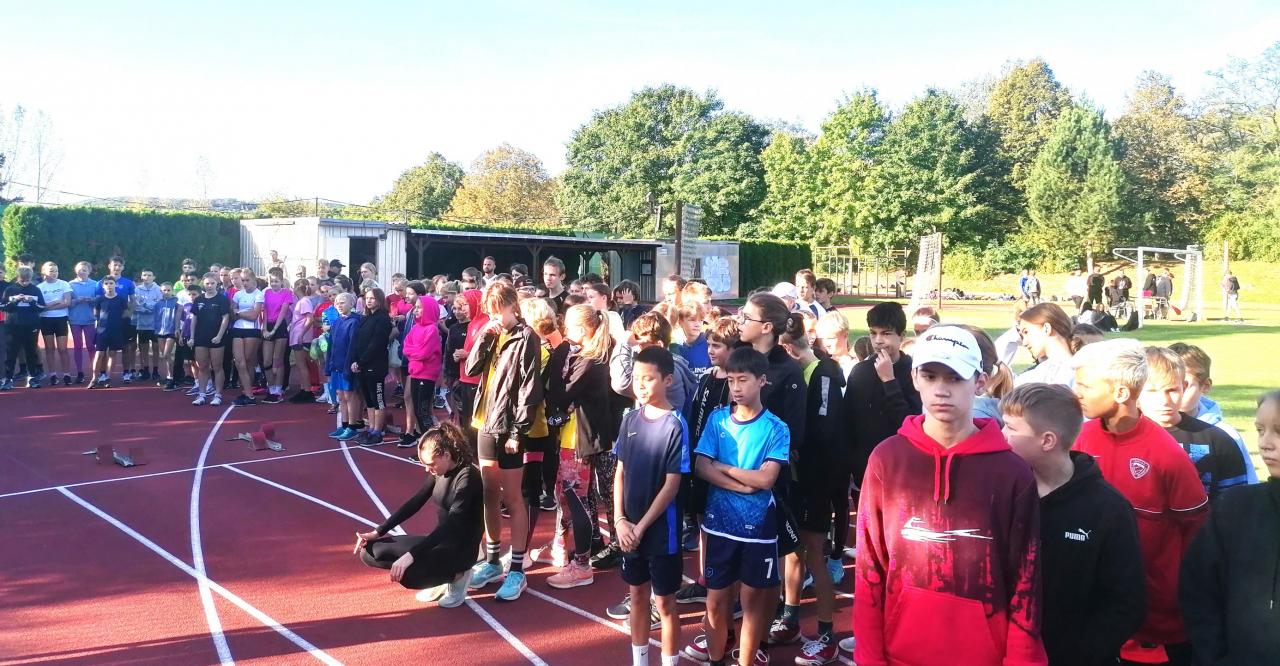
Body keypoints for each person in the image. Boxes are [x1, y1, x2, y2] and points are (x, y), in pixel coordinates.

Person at [850, 325, 1046, 665]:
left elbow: (1025, 580)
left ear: (980, 382)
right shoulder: (886, 459)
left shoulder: (1012, 472)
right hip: (900, 651)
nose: (941, 390)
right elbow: (870, 566)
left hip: (985, 656)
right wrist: (869, 657)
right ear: (914, 378)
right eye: (930, 376)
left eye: (955, 378)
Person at [1071, 338, 1208, 666]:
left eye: (1086, 386)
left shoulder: (1167, 455)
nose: (1077, 393)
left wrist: (1176, 595)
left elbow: (1197, 533)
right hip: (1092, 609)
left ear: (1121, 393)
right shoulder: (1080, 438)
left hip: (1157, 621)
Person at [1001, 383, 1146, 666]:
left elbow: (1126, 601)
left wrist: (1080, 653)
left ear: (1047, 441)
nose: (1001, 434)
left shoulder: (1108, 509)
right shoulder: (1004, 493)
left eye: (1011, 428)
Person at [694, 347, 791, 666]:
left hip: (758, 531)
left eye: (743, 380)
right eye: (731, 380)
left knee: (751, 605)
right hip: (719, 526)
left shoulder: (776, 428)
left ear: (762, 380)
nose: (735, 387)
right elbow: (701, 466)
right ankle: (716, 659)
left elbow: (766, 479)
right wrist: (743, 484)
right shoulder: (717, 419)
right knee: (715, 602)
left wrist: (724, 467)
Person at [1179, 389, 1280, 664]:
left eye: (1278, 432)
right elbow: (1198, 589)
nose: (1265, 443)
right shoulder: (1236, 507)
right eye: (1260, 430)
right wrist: (1215, 657)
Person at [463, 282, 542, 600]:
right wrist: (485, 336)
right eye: (490, 311)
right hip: (484, 422)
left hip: (509, 427)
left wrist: (517, 432)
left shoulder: (527, 337)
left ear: (513, 306)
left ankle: (517, 569)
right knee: (488, 493)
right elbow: (471, 368)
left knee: (513, 497)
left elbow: (529, 388)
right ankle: (493, 560)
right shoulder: (491, 333)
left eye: (499, 310)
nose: (495, 316)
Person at [354, 422, 484, 608]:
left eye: (430, 464)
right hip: (439, 541)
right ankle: (439, 574)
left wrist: (411, 555)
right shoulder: (439, 470)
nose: (427, 469)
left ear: (446, 455)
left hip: (461, 550)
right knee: (369, 552)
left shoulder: (468, 477)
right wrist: (378, 531)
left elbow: (452, 523)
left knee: (408, 574)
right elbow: (415, 502)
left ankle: (457, 575)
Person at [615, 346, 688, 666]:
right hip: (629, 529)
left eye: (648, 379)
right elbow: (620, 471)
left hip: (660, 533)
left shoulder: (675, 425)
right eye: (636, 378)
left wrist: (641, 527)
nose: (640, 385)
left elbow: (672, 485)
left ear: (667, 380)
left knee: (666, 603)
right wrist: (620, 520)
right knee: (637, 597)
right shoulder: (629, 419)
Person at [778, 322, 846, 665]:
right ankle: (790, 619)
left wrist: (793, 446)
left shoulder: (824, 374)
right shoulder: (802, 373)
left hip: (815, 479)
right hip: (795, 477)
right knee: (793, 551)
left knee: (814, 552)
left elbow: (824, 430)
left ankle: (826, 634)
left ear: (789, 350)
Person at [536, 303, 617, 590]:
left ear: (582, 330)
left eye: (568, 326)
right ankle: (567, 547)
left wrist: (559, 353)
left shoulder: (589, 359)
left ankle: (582, 565)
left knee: (575, 498)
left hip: (580, 439)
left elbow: (560, 393)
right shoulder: (588, 354)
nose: (564, 331)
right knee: (570, 495)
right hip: (578, 436)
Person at [1138, 347, 1251, 502]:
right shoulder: (1121, 437)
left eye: (1172, 390)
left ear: (1183, 387)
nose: (1164, 401)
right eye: (1152, 391)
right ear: (1135, 391)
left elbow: (1236, 502)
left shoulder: (1218, 440)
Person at [844, 301, 923, 509]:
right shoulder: (860, 371)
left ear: (901, 336)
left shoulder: (915, 372)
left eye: (886, 334)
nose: (878, 340)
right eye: (873, 333)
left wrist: (889, 381)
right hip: (864, 468)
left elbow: (910, 424)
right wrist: (850, 464)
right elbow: (848, 421)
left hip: (902, 471)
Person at [1168, 342, 1257, 484]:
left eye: (1184, 386)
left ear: (1205, 385)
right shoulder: (1145, 429)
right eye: (1168, 386)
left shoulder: (1225, 435)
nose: (1175, 394)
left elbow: (1246, 486)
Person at [350, 288, 393, 445]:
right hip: (362, 366)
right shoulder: (366, 318)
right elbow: (358, 342)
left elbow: (376, 344)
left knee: (377, 399)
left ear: (380, 300)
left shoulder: (383, 319)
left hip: (375, 366)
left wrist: (361, 361)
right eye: (367, 298)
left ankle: (378, 432)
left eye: (372, 298)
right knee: (368, 399)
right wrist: (355, 361)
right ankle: (371, 429)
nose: (368, 301)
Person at [402, 294, 443, 444]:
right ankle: (425, 443)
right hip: (415, 372)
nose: (416, 310)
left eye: (419, 308)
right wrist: (414, 352)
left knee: (423, 411)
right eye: (416, 307)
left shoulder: (432, 329)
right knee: (417, 410)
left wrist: (413, 353)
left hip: (426, 375)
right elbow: (406, 347)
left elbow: (424, 353)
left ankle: (434, 444)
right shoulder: (415, 328)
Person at [326, 293, 365, 438]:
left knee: (350, 396)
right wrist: (329, 366)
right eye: (337, 303)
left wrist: (348, 366)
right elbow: (331, 346)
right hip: (336, 366)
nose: (339, 305)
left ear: (351, 304)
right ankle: (344, 425)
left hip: (346, 366)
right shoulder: (336, 322)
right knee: (341, 396)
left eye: (342, 302)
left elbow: (353, 346)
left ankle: (352, 426)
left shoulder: (354, 322)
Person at [189, 274, 231, 404]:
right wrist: (192, 337)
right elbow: (194, 319)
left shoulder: (222, 299)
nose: (210, 286)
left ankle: (217, 395)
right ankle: (202, 394)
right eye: (207, 283)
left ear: (217, 283)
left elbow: (225, 318)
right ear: (203, 284)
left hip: (216, 338)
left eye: (212, 283)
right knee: (202, 366)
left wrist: (219, 336)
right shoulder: (199, 299)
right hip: (201, 337)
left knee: (217, 367)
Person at [2, 266, 46, 389]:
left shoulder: (35, 290)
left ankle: (32, 377)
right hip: (13, 325)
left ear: (30, 278)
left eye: (27, 280)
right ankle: (8, 379)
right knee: (11, 353)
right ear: (18, 277)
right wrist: (14, 301)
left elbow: (42, 307)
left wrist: (31, 301)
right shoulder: (10, 289)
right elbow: (3, 306)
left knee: (31, 352)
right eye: (22, 280)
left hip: (31, 325)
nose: (25, 282)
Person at [96, 257, 136, 383]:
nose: (117, 267)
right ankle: (103, 374)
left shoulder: (128, 283)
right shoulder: (101, 282)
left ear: (123, 267)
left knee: (126, 347)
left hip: (123, 320)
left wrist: (127, 315)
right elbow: (98, 303)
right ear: (109, 266)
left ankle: (126, 373)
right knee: (103, 350)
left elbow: (132, 301)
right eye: (114, 265)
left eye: (119, 265)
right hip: (106, 322)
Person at [1015, 303, 1075, 386]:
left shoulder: (1029, 380)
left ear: (1047, 328)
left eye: (1026, 332)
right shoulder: (1087, 369)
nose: (1024, 343)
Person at [228, 269, 264, 406]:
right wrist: (242, 313)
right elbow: (232, 313)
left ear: (254, 280)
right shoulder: (238, 294)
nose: (245, 283)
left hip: (252, 330)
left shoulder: (259, 294)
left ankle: (249, 392)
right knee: (239, 362)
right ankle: (247, 393)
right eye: (243, 280)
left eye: (247, 280)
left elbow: (254, 315)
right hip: (238, 329)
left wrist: (239, 313)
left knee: (248, 361)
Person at [259, 272, 295, 403]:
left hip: (280, 327)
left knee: (278, 359)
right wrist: (265, 328)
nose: (273, 284)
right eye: (271, 281)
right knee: (266, 361)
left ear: (281, 282)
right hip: (268, 326)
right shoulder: (266, 293)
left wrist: (274, 330)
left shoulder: (287, 293)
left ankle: (278, 390)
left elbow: (283, 312)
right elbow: (265, 311)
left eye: (276, 281)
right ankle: (271, 388)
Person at [36, 261, 72, 385]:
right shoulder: (40, 287)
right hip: (45, 320)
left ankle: (66, 374)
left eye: (56, 271)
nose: (54, 273)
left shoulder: (64, 284)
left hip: (61, 319)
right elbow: (40, 307)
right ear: (44, 272)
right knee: (49, 348)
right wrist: (55, 302)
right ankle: (52, 375)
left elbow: (67, 302)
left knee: (63, 349)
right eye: (51, 271)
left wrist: (48, 306)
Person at [67, 261, 99, 384]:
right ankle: (80, 372)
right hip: (75, 319)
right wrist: (77, 300)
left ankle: (95, 372)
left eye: (85, 270)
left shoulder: (95, 284)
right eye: (80, 269)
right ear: (76, 270)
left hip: (89, 319)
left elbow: (98, 301)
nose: (82, 272)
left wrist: (91, 300)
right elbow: (68, 303)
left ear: (89, 271)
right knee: (78, 346)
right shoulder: (70, 284)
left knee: (91, 346)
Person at [286, 279, 317, 403]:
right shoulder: (301, 301)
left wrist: (301, 334)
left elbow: (310, 319)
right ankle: (304, 389)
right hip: (297, 336)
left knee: (302, 365)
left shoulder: (304, 301)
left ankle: (307, 391)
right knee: (300, 365)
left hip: (301, 337)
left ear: (297, 288)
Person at [133, 269, 162, 380]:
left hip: (155, 324)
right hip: (142, 323)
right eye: (145, 275)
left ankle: (155, 370)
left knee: (155, 347)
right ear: (142, 277)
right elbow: (135, 304)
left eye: (149, 275)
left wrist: (151, 308)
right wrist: (142, 309)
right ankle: (145, 369)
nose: (147, 277)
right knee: (143, 348)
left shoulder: (159, 289)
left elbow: (160, 303)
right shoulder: (137, 289)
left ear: (154, 277)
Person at [153, 283, 180, 390]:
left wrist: (177, 328)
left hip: (171, 331)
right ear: (161, 291)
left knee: (166, 354)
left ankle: (171, 377)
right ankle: (168, 376)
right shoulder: (158, 303)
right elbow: (156, 317)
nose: (166, 292)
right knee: (164, 356)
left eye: (169, 290)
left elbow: (178, 316)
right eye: (164, 290)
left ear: (172, 291)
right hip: (160, 331)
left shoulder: (176, 302)